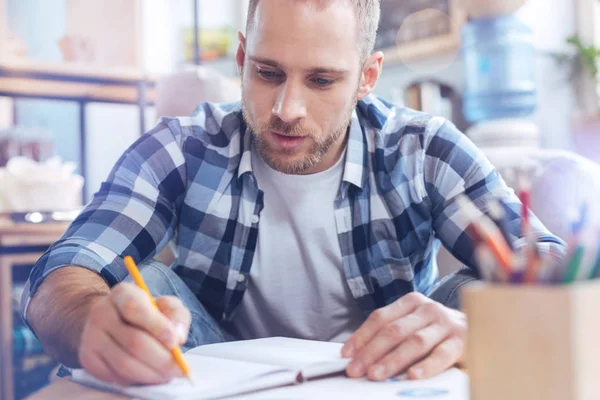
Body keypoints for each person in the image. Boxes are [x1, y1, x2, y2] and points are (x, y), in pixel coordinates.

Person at [22, 0, 565, 387]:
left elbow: (551, 266)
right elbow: (62, 274)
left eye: (323, 80)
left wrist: (485, 327)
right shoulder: (182, 147)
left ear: (367, 76)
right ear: (241, 58)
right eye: (267, 72)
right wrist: (92, 319)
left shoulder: (425, 150)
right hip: (220, 379)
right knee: (152, 286)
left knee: (477, 292)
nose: (287, 109)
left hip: (392, 381)